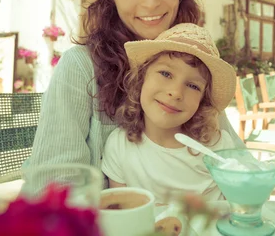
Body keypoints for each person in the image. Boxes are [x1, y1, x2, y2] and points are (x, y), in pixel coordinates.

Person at [22, 0, 244, 193]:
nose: (150, 2)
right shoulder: (80, 67)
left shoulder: (194, 60)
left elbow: (236, 162)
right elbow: (54, 187)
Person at [101, 23, 237, 203]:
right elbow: (121, 217)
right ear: (141, 78)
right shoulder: (120, 146)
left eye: (193, 86)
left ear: (202, 100)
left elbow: (241, 212)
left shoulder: (219, 148)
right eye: (165, 73)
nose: (176, 92)